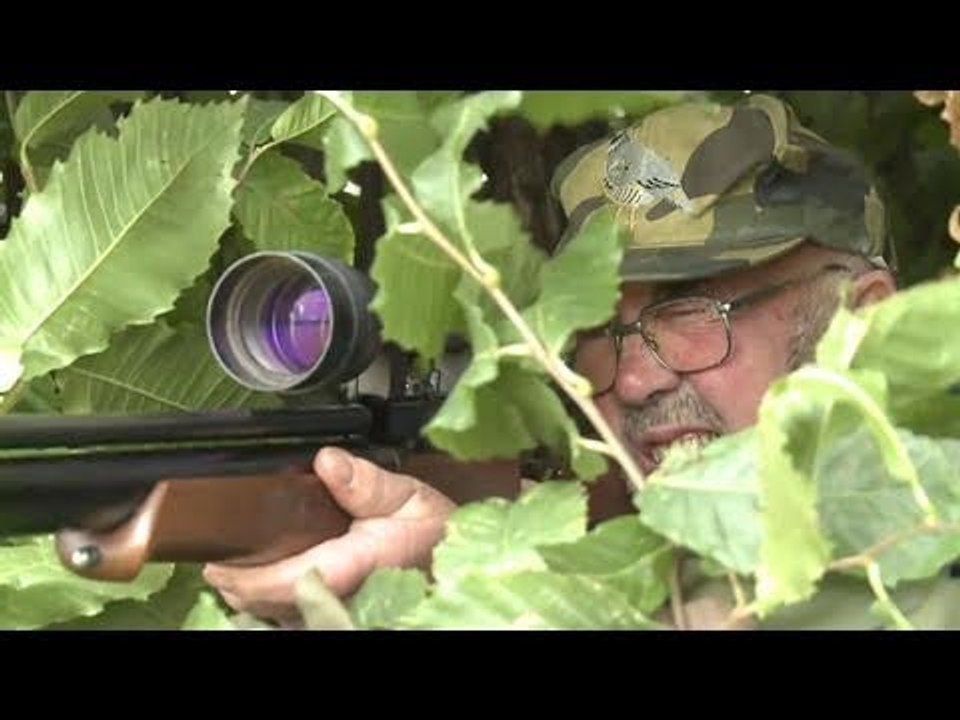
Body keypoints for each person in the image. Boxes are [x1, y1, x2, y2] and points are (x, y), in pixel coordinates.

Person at [202, 93, 960, 629]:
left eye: (691, 310)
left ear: (861, 320)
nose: (632, 379)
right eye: (597, 331)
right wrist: (454, 577)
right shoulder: (611, 559)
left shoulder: (931, 563)